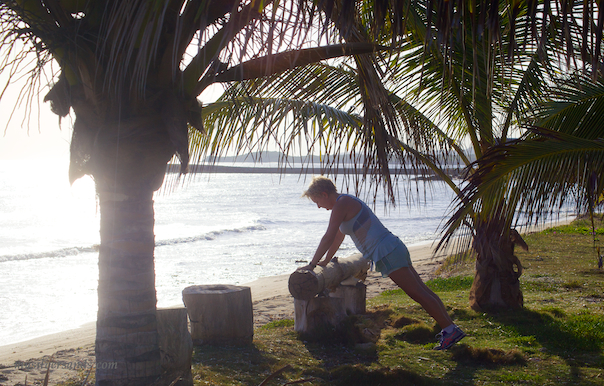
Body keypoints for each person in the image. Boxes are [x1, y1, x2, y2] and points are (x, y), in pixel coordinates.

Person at [301, 176, 465, 350]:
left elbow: (327, 237)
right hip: (392, 247)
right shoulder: (344, 203)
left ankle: (449, 329)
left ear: (324, 194)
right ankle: (450, 328)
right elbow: (336, 239)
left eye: (317, 201)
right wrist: (325, 261)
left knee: (418, 293)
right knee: (421, 290)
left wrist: (312, 265)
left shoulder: (342, 204)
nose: (318, 206)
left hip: (386, 251)